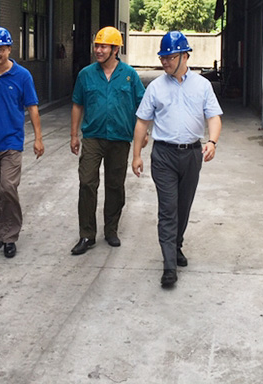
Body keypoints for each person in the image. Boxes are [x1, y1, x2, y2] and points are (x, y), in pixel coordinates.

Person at [131, 31, 222, 288]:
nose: (165, 62)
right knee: (168, 209)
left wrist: (212, 141)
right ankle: (169, 265)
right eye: (163, 57)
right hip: (164, 155)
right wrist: (136, 155)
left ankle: (176, 245)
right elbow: (142, 122)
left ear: (185, 56)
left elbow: (213, 117)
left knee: (183, 207)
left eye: (170, 57)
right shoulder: (155, 88)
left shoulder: (202, 86)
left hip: (192, 154)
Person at [69, 26, 145, 255]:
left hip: (120, 138)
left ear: (115, 49)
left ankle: (111, 229)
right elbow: (77, 104)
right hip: (93, 137)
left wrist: (143, 133)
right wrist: (74, 135)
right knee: (87, 183)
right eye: (97, 46)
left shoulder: (130, 75)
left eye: (104, 47)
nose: (99, 50)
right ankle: (87, 234)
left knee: (115, 185)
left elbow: (143, 105)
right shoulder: (86, 74)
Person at [0, 26, 44, 259]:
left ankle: (10, 236)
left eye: (0, 49)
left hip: (11, 142)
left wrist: (38, 139)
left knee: (7, 187)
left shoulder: (22, 76)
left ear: (9, 49)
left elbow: (32, 107)